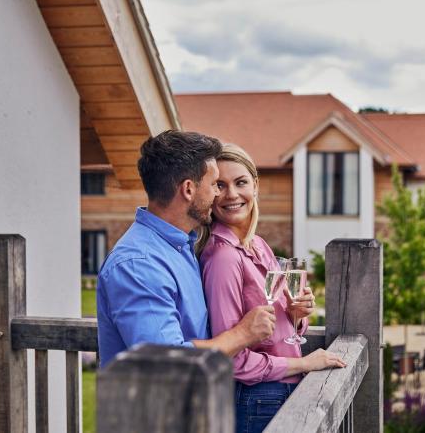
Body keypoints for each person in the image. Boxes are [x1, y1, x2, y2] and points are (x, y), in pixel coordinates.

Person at [198, 144, 346, 433]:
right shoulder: (223, 258)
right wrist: (304, 364)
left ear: (255, 185)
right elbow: (232, 360)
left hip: (277, 393)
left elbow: (285, 331)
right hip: (257, 399)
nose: (231, 194)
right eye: (220, 185)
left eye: (240, 182)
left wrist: (297, 315)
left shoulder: (259, 245)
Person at [97, 131, 276, 367]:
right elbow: (166, 360)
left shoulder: (181, 246)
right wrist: (243, 334)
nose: (217, 194)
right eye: (214, 184)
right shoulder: (138, 264)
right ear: (189, 189)